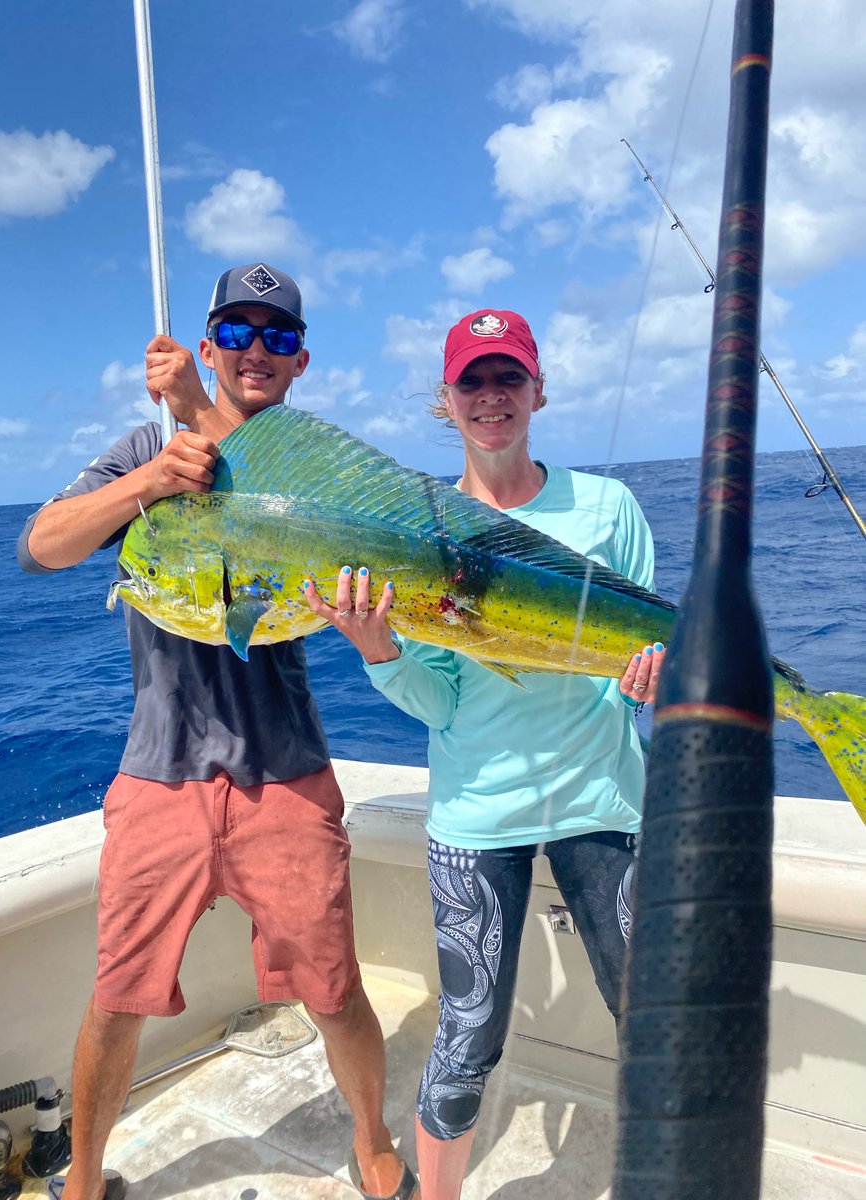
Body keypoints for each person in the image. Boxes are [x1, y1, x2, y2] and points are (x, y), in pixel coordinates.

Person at [17, 262, 417, 1200]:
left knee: (334, 990)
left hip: (287, 772)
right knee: (117, 999)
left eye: (278, 337)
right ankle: (82, 1179)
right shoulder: (146, 449)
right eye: (236, 331)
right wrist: (152, 478)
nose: (256, 350)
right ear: (206, 344)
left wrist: (201, 411)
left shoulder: (313, 469)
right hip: (161, 774)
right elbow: (42, 545)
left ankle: (370, 1141)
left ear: (301, 362)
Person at [303, 308, 666, 1200]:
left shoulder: (608, 508)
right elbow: (442, 704)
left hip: (604, 802)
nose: (492, 397)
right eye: (474, 381)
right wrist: (379, 652)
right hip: (478, 815)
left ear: (538, 391)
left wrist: (646, 683)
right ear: (448, 401)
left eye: (509, 378)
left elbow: (641, 649)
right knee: (466, 1042)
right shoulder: (416, 526)